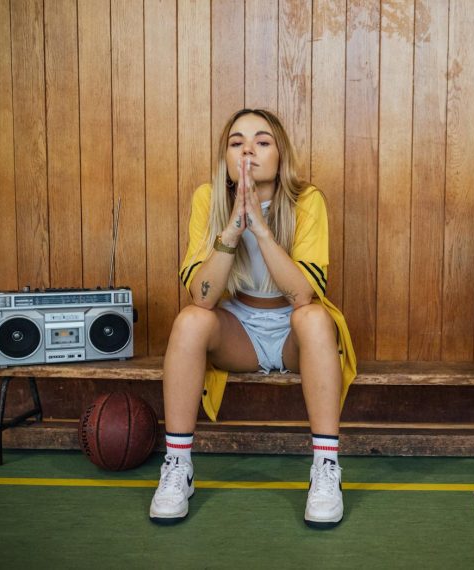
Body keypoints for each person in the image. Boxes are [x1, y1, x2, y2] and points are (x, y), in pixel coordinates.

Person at [149, 109, 356, 529]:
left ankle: (325, 470)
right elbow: (202, 297)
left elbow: (302, 295)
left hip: (293, 332)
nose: (248, 150)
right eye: (236, 142)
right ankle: (177, 467)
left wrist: (260, 229)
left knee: (315, 319)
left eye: (262, 142)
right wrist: (230, 233)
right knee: (189, 321)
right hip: (239, 328)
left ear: (281, 156)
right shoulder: (208, 198)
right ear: (225, 156)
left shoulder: (307, 199)